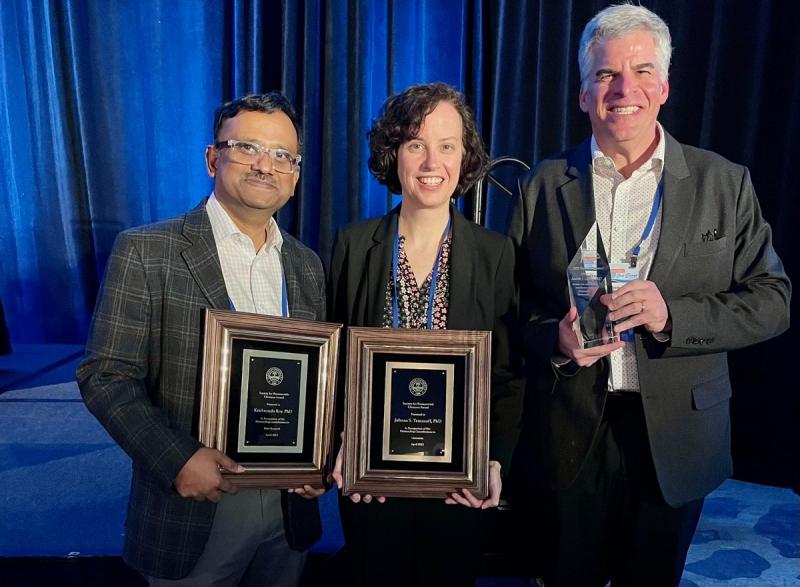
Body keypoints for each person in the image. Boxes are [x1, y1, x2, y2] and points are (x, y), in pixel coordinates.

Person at [510, 4, 791, 585]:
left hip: (678, 433)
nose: (623, 89)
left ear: (664, 86)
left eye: (640, 71)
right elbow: (511, 309)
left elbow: (773, 300)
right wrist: (555, 340)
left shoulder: (724, 182)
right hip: (569, 429)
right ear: (584, 93)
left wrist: (673, 317)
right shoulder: (541, 184)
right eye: (605, 74)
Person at [77, 93, 326, 586]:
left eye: (282, 156)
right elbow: (105, 376)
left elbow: (316, 380)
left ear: (295, 176)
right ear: (213, 158)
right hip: (193, 504)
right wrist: (178, 459)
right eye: (247, 147)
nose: (265, 165)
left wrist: (322, 450)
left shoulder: (307, 265)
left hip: (288, 508)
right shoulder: (147, 250)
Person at [328, 82, 523, 586]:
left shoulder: (495, 253)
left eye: (447, 145)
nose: (431, 160)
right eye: (415, 143)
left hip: (456, 483)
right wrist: (342, 441)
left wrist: (495, 459)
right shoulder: (353, 245)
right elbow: (335, 365)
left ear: (466, 157)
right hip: (374, 482)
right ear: (393, 154)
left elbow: (506, 374)